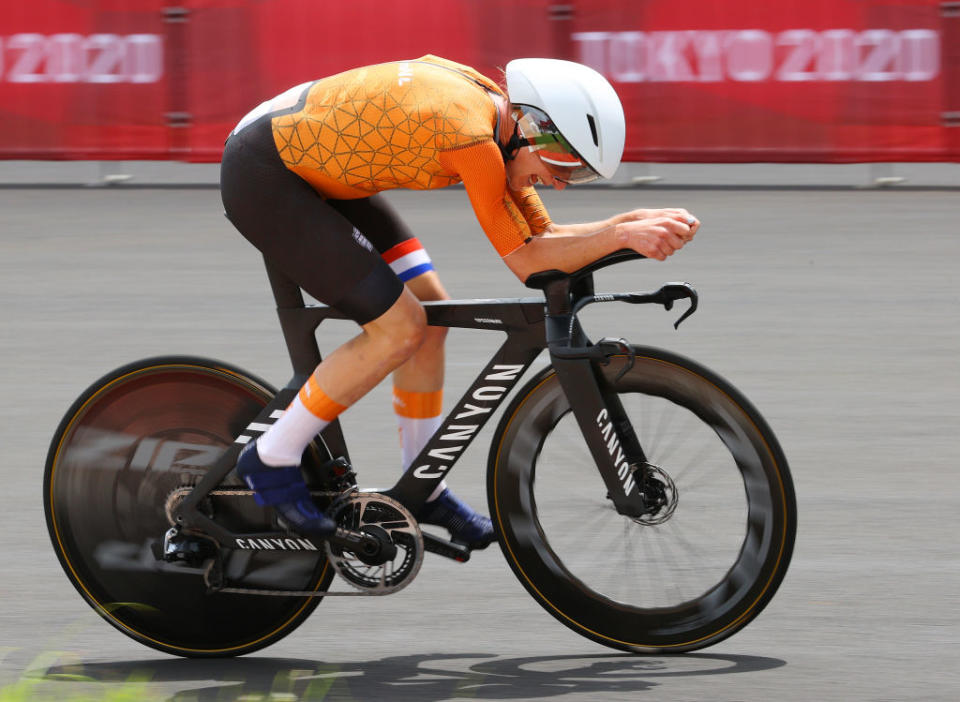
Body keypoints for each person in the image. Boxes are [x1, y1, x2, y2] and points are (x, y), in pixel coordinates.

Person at [219, 55, 698, 549]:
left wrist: (635, 222)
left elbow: (546, 236)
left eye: (576, 177)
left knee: (432, 316)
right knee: (400, 326)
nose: (559, 183)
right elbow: (530, 263)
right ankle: (271, 456)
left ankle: (421, 484)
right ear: (534, 129)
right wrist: (622, 233)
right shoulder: (471, 140)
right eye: (564, 167)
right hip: (266, 177)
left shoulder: (498, 125)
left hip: (315, 168)